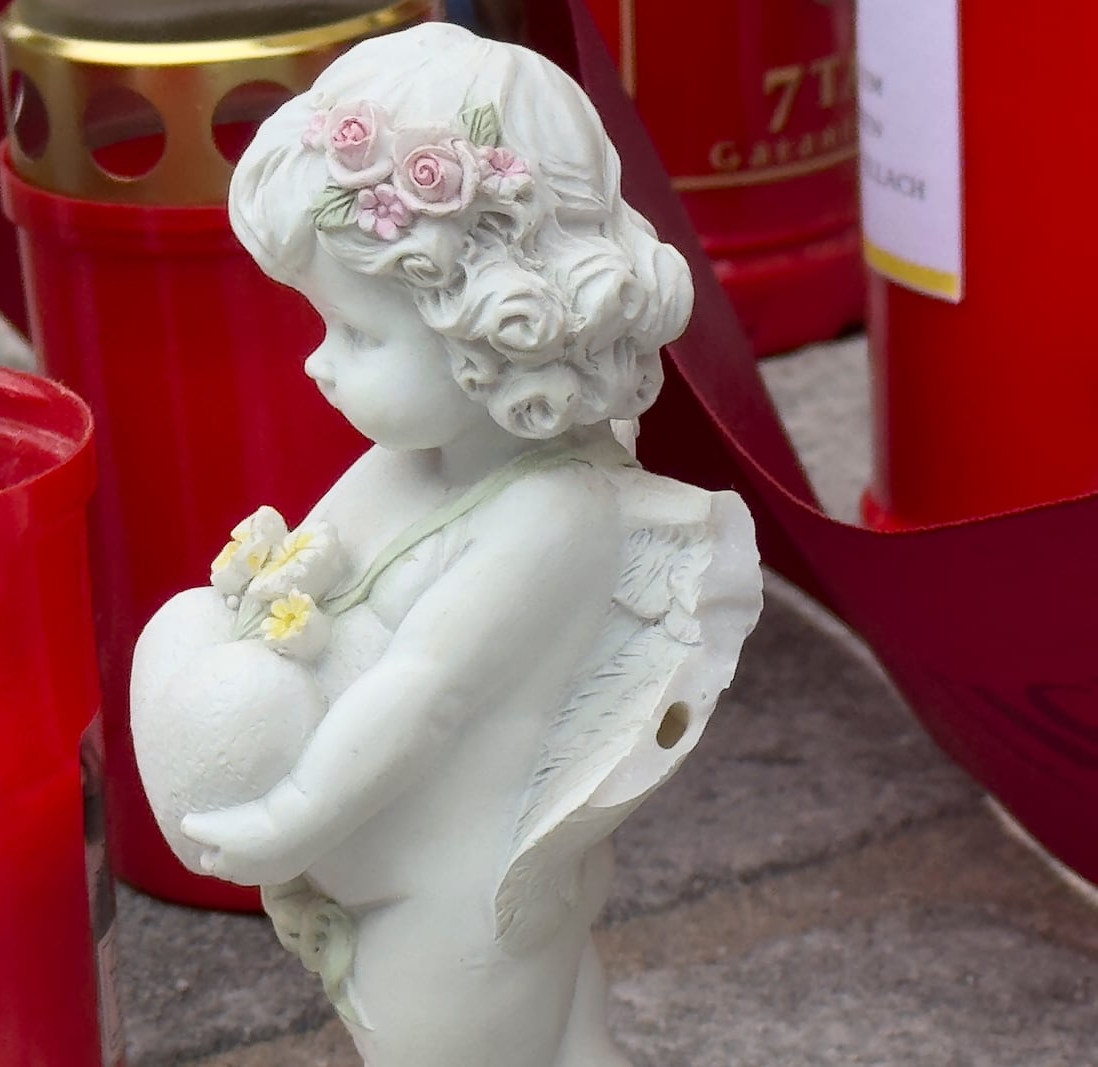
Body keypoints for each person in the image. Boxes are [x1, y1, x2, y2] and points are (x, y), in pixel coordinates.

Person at [136, 23, 762, 1067]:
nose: (319, 367)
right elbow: (316, 569)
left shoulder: (549, 514)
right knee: (565, 1045)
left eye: (360, 335)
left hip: (453, 904)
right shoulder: (406, 465)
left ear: (488, 332)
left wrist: (296, 808)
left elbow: (428, 692)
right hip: (402, 876)